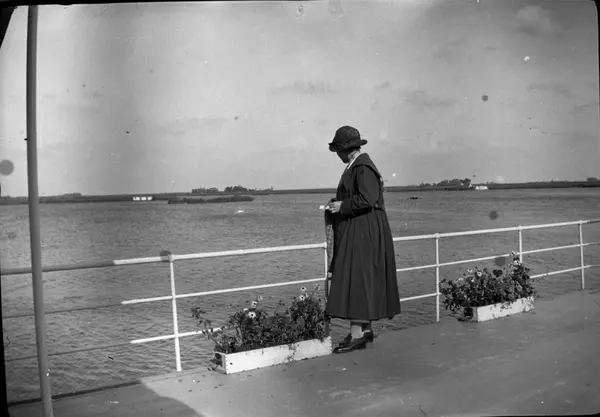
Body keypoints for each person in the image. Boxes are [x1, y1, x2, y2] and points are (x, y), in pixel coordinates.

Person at [324, 125, 401, 354]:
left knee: (356, 277)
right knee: (363, 276)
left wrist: (342, 206)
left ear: (345, 149)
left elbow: (367, 199)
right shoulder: (358, 166)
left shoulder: (362, 167)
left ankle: (357, 334)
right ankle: (365, 330)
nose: (337, 155)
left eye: (338, 150)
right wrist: (339, 204)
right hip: (363, 228)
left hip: (364, 229)